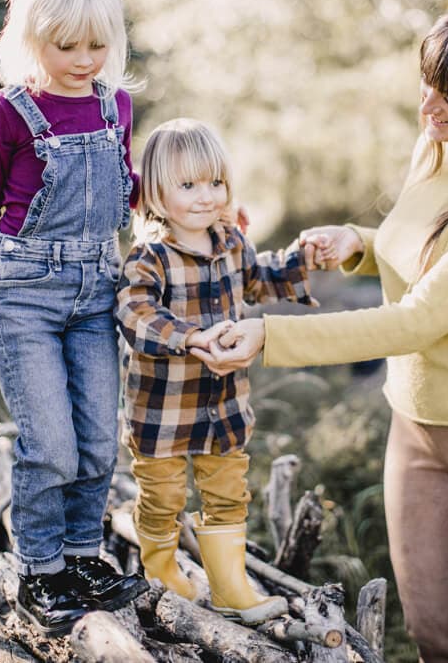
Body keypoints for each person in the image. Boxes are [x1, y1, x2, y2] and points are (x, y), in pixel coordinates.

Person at [193, 5, 448, 662]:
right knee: (436, 640)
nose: (427, 106)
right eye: (426, 83)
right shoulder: (439, 152)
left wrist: (266, 334)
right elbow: (424, 251)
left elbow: (417, 319)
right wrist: (358, 243)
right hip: (414, 431)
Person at [0, 0, 145, 635]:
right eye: (66, 46)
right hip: (25, 291)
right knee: (49, 442)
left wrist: (188, 208)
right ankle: (39, 571)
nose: (84, 60)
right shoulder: (10, 113)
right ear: (31, 37)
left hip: (96, 290)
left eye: (97, 45)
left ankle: (82, 555)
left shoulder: (116, 107)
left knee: (96, 441)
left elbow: (126, 189)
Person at [115, 118, 315, 623]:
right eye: (188, 185)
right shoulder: (150, 257)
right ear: (156, 192)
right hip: (162, 412)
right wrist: (189, 337)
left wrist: (303, 258)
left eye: (215, 183)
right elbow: (136, 314)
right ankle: (160, 570)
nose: (206, 196)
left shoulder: (230, 241)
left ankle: (229, 588)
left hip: (223, 407)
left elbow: (262, 278)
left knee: (228, 494)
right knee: (163, 498)